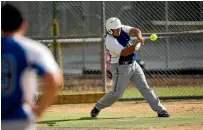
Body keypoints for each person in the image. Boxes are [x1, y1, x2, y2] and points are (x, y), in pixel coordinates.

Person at [90, 17, 170, 118]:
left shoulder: (121, 28)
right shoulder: (109, 41)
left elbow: (136, 30)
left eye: (119, 28)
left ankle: (160, 110)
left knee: (145, 87)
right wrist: (136, 45)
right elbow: (124, 52)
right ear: (110, 30)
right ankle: (98, 107)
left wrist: (139, 37)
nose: (119, 30)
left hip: (133, 64)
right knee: (116, 94)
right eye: (116, 29)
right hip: (120, 67)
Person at [1, 4, 63, 130]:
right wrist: (38, 111)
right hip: (19, 119)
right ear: (23, 24)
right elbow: (54, 80)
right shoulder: (30, 48)